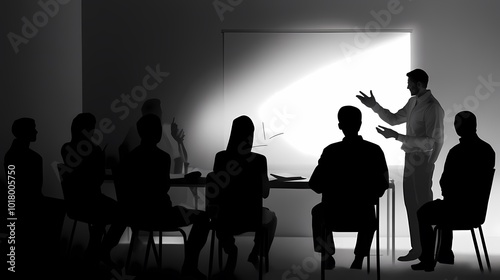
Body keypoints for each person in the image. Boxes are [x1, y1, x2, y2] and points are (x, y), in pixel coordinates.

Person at [356, 69, 445, 261]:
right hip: (411, 159)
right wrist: (375, 106)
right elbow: (395, 119)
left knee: (423, 207)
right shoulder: (413, 102)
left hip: (423, 161)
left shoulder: (433, 107)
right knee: (411, 205)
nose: (407, 86)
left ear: (419, 84)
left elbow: (431, 142)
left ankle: (428, 252)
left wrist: (397, 137)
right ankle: (418, 249)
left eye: (410, 83)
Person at [119, 114, 209, 280]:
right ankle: (189, 266)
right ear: (157, 133)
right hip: (163, 216)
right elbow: (163, 186)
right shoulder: (162, 157)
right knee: (203, 218)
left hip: (138, 217)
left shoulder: (130, 158)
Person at [411, 111, 496, 271]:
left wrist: (449, 193)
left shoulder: (457, 152)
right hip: (476, 211)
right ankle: (444, 253)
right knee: (446, 206)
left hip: (457, 209)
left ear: (460, 127)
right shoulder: (488, 150)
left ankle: (429, 259)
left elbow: (445, 181)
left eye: (456, 123)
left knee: (425, 212)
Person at [309, 106, 389, 269]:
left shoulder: (330, 151)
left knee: (318, 212)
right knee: (370, 214)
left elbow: (315, 184)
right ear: (360, 124)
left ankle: (326, 254)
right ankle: (359, 258)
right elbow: (382, 185)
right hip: (363, 216)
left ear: (340, 126)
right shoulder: (374, 150)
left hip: (333, 214)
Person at [210, 115, 278, 279]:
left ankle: (230, 249)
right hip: (251, 218)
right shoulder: (260, 160)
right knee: (272, 217)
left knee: (219, 213)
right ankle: (255, 253)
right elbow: (265, 194)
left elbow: (215, 192)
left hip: (225, 219)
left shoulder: (220, 157)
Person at [61, 113, 126, 267]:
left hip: (74, 203)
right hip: (92, 202)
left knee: (101, 219)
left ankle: (93, 255)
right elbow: (99, 180)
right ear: (88, 129)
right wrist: (99, 158)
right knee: (123, 213)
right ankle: (103, 251)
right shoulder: (95, 150)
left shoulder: (65, 148)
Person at [118, 98, 187, 173]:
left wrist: (179, 142)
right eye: (157, 112)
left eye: (159, 112)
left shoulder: (167, 131)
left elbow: (182, 161)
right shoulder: (135, 132)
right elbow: (122, 149)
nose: (160, 114)